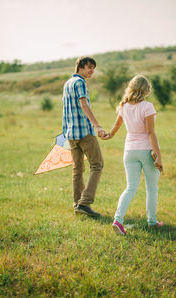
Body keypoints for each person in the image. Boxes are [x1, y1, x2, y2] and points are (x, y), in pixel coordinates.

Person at [102, 75, 164, 235]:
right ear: (146, 90)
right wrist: (158, 156)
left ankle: (118, 220)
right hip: (146, 151)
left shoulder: (124, 106)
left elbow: (116, 125)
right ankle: (152, 222)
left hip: (129, 152)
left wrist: (109, 135)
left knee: (130, 188)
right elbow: (151, 133)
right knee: (152, 188)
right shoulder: (147, 107)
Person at [62, 56, 106, 217]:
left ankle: (77, 204)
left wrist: (65, 132)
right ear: (80, 67)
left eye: (93, 67)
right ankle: (84, 203)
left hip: (71, 134)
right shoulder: (80, 82)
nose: (91, 70)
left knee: (77, 169)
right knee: (97, 165)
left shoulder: (67, 83)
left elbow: (65, 111)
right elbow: (83, 104)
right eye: (89, 67)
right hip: (84, 133)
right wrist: (97, 125)